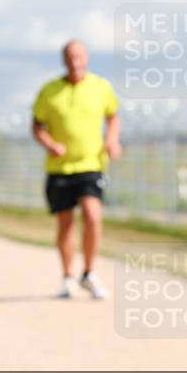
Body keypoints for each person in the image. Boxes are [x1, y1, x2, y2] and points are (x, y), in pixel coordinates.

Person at [32, 40, 121, 299]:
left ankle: (89, 273)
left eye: (79, 57)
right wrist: (49, 144)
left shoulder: (101, 87)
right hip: (59, 168)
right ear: (64, 60)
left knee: (93, 216)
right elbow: (37, 126)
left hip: (91, 165)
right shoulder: (49, 91)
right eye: (70, 58)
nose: (75, 62)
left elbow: (113, 116)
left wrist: (112, 140)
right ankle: (68, 276)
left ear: (86, 58)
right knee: (65, 223)